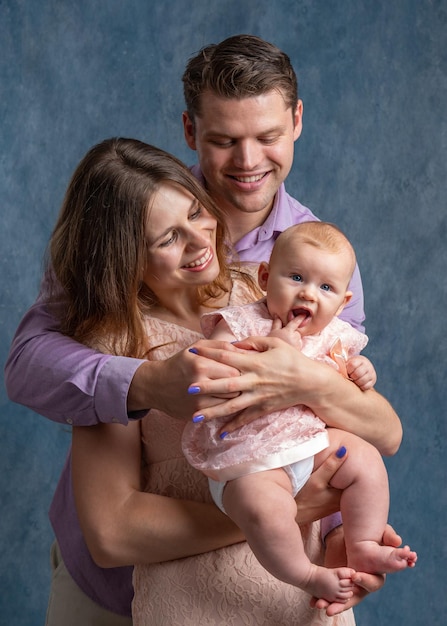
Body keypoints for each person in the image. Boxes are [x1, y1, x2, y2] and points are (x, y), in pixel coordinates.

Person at [4, 35, 403, 624]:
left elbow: (357, 421)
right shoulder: (124, 236)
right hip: (122, 586)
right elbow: (31, 365)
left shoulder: (319, 256)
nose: (248, 162)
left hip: (281, 580)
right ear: (190, 131)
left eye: (267, 136)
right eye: (224, 140)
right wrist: (144, 384)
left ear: (296, 121)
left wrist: (341, 532)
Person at [183, 222, 416, 612]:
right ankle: (305, 574)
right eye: (295, 277)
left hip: (310, 448)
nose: (308, 292)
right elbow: (212, 372)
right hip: (248, 463)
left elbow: (352, 398)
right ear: (264, 278)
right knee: (265, 510)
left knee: (366, 461)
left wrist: (360, 373)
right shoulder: (240, 323)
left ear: (342, 303)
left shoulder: (333, 337)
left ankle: (361, 544)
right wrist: (273, 346)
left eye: (325, 288)